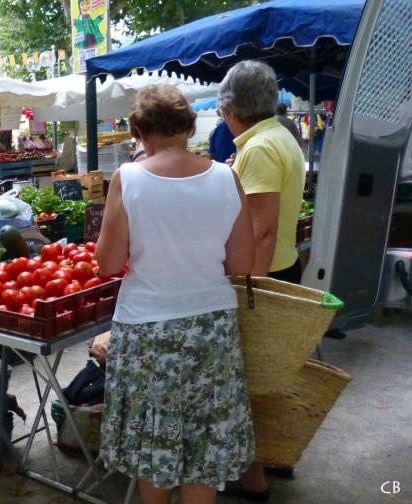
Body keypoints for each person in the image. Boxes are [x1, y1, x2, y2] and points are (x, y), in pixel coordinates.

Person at [95, 84, 256, 504]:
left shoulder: (126, 178)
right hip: (211, 329)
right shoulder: (226, 177)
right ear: (188, 126)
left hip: (146, 328)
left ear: (138, 130)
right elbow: (241, 263)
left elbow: (109, 262)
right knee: (203, 435)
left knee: (155, 435)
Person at [217, 60, 306, 502]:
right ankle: (276, 456)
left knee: (248, 379)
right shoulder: (278, 138)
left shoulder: (260, 149)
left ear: (231, 107)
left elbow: (261, 229)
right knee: (272, 374)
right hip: (281, 266)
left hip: (264, 273)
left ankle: (252, 477)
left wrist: (247, 286)